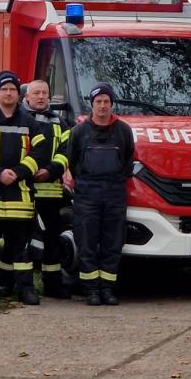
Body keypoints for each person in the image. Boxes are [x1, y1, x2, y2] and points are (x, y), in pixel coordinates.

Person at [0, 71, 49, 304]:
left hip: (20, 195)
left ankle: (25, 289)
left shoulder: (30, 123)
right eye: (4, 89)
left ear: (18, 93)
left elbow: (40, 151)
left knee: (21, 247)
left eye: (12, 89)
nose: (8, 93)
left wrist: (19, 172)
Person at [59, 82, 134, 306]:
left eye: (106, 102)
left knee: (113, 242)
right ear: (92, 105)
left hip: (114, 193)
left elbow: (128, 160)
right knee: (87, 243)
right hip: (87, 194)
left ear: (112, 104)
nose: (102, 106)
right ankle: (91, 290)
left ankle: (108, 289)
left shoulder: (123, 130)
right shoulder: (79, 131)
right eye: (98, 102)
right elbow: (70, 160)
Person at [23, 79, 73, 299]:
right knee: (23, 239)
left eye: (45, 93)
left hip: (52, 191)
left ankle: (52, 284)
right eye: (36, 93)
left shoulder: (59, 122)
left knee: (53, 239)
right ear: (26, 97)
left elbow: (66, 152)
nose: (41, 97)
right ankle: (23, 285)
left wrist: (51, 170)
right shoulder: (19, 119)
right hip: (24, 190)